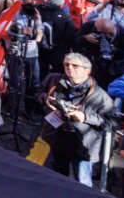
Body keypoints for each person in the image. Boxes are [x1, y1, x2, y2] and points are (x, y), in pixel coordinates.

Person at [40, 53, 119, 186]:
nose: (69, 68)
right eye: (67, 64)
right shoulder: (54, 80)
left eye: (75, 65)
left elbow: (113, 123)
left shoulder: (100, 96)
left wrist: (85, 118)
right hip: (57, 139)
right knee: (54, 177)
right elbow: (39, 92)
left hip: (83, 145)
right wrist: (45, 99)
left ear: (87, 71)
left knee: (82, 182)